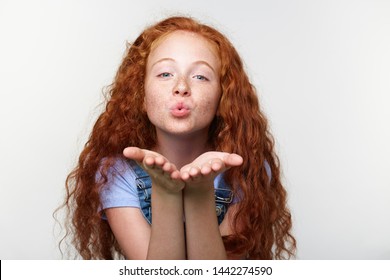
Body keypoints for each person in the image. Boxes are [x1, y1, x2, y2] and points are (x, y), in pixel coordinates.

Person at [60, 16, 296, 260]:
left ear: (222, 100)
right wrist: (166, 192)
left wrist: (199, 192)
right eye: (165, 74)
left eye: (200, 76)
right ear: (140, 95)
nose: (181, 86)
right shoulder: (116, 172)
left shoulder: (245, 169)